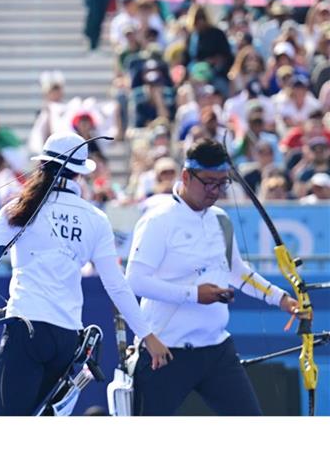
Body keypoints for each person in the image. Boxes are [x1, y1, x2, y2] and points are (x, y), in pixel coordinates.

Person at [0, 132, 172, 416]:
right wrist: (147, 336)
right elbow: (117, 286)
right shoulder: (95, 219)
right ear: (79, 174)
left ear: (42, 165)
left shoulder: (20, 207)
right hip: (66, 337)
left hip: (26, 331)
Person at [125, 138, 304, 416]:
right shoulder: (158, 220)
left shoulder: (220, 219)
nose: (216, 191)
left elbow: (238, 272)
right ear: (186, 175)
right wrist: (194, 294)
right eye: (208, 182)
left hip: (217, 349)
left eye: (222, 183)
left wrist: (282, 300)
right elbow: (135, 280)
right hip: (167, 351)